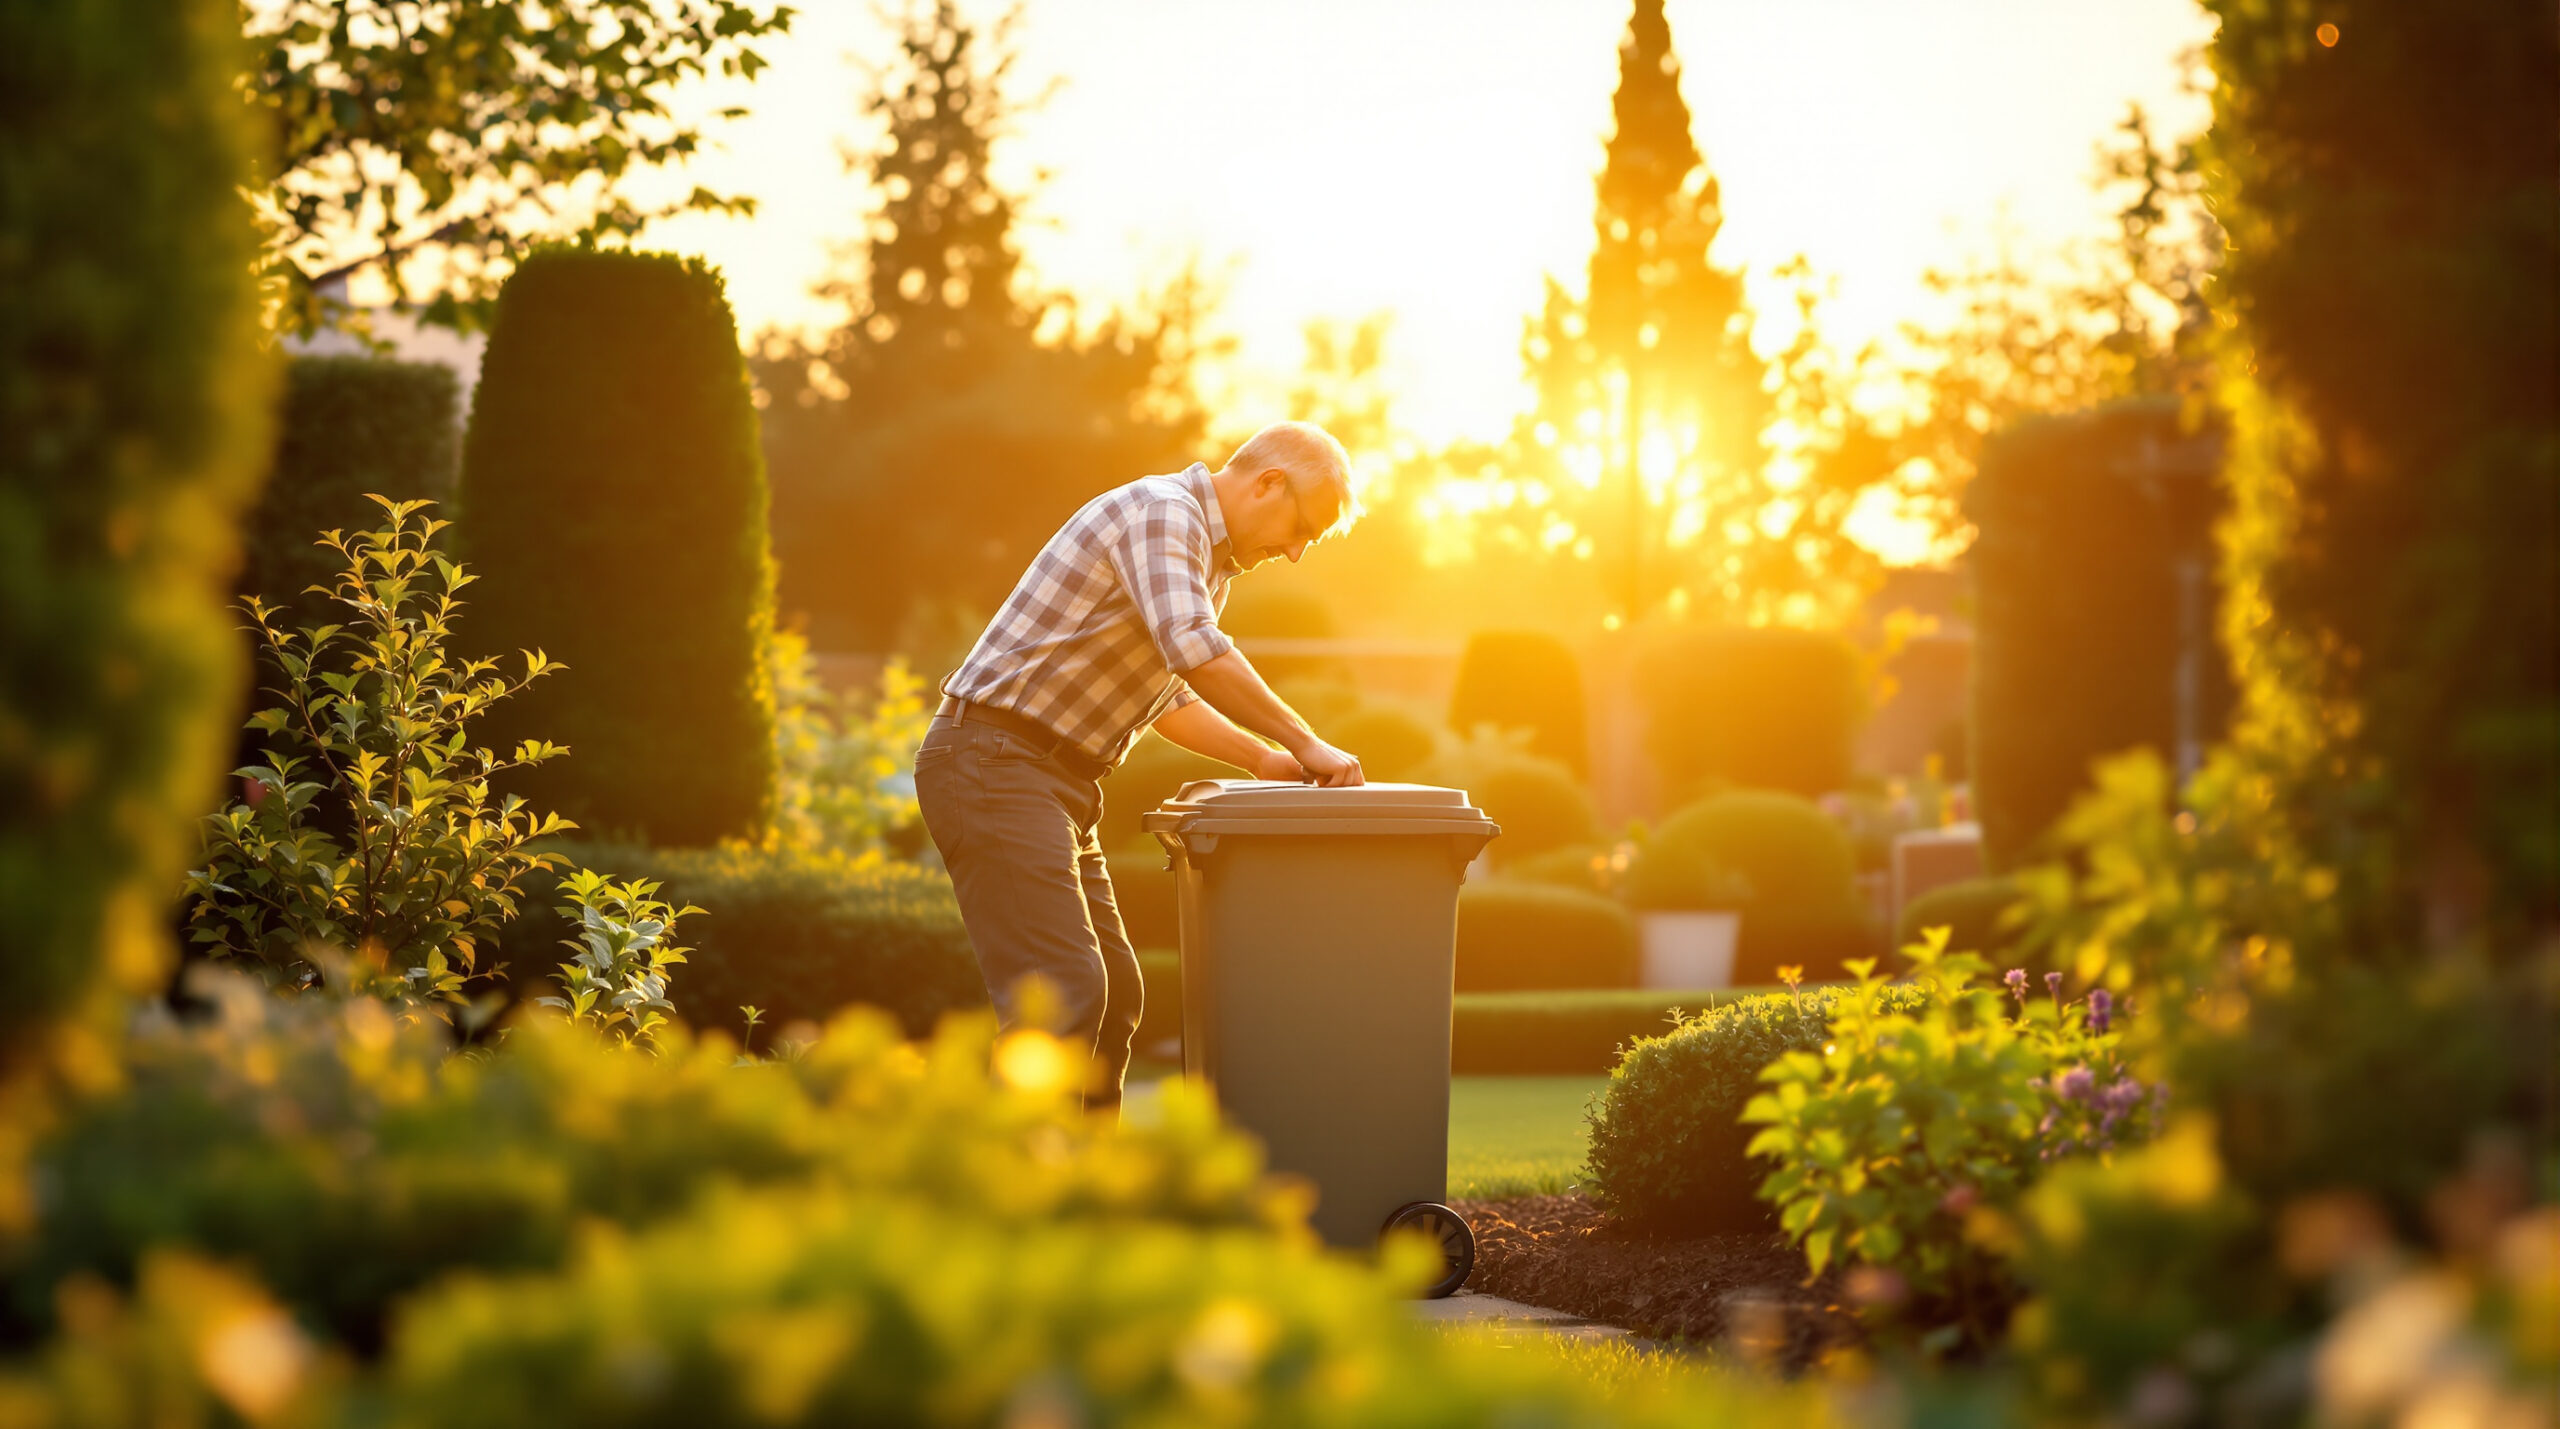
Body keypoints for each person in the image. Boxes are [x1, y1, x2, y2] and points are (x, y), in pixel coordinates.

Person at [913, 421, 1366, 1110]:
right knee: (1063, 988)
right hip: (993, 760)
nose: (1299, 552)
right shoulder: (1165, 514)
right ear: (1269, 482)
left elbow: (1167, 694)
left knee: (1117, 994)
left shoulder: (1211, 566)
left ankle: (1092, 1197)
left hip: (1051, 779)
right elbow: (1195, 649)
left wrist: (1262, 757)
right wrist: (1307, 740)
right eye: (1303, 525)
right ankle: (1010, 1199)